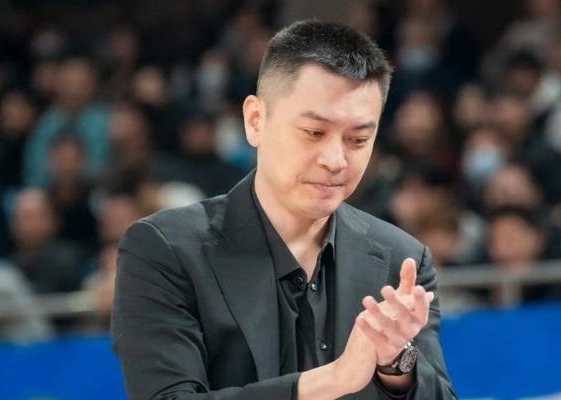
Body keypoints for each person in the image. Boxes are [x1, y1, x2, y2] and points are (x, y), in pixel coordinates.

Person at [112, 20, 455, 399]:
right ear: (255, 120)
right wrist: (333, 379)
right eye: (314, 132)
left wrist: (396, 365)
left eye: (358, 139)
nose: (335, 160)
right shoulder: (165, 250)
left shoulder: (403, 260)